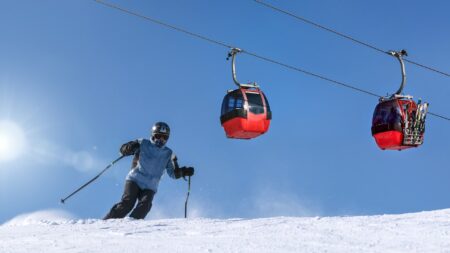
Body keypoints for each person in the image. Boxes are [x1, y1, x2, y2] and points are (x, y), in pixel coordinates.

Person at [104, 122, 194, 220]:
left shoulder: (168, 153)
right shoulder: (143, 143)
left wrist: (184, 171)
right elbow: (123, 149)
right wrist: (129, 148)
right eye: (158, 136)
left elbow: (173, 173)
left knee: (145, 205)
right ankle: (107, 222)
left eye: (164, 138)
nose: (161, 140)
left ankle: (131, 224)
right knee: (127, 204)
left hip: (150, 186)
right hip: (134, 179)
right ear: (153, 135)